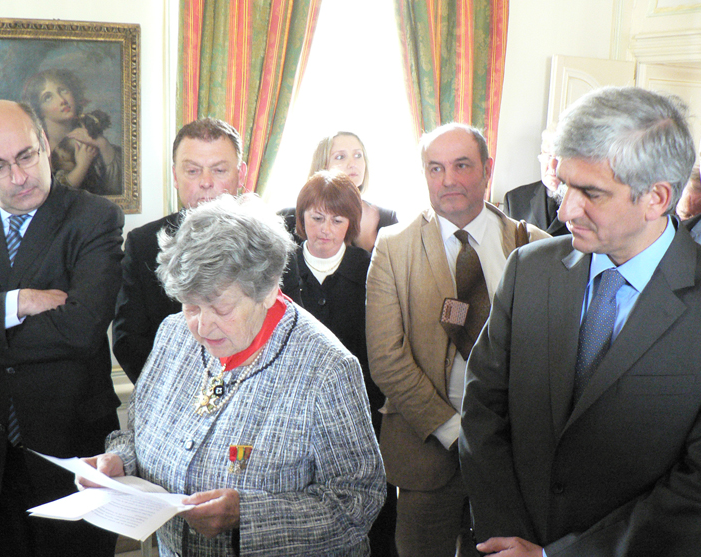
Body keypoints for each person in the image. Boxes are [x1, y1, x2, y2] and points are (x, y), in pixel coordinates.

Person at [459, 86, 701, 557]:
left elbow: (694, 491)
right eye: (564, 184)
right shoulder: (530, 268)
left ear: (656, 198)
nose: (565, 209)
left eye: (590, 192)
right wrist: (511, 543)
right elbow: (483, 408)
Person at [81, 194, 385, 556]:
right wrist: (120, 461)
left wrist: (247, 515)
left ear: (269, 290)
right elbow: (139, 430)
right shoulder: (172, 333)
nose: (202, 326)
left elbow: (358, 502)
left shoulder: (326, 369)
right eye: (191, 304)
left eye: (221, 307)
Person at [365, 123, 549, 557]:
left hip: (511, 458)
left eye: (461, 165)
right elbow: (387, 359)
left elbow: (547, 354)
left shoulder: (534, 245)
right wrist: (457, 432)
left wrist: (497, 437)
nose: (447, 179)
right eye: (435, 168)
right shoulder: (393, 248)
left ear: (487, 170)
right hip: (426, 454)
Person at [0, 100, 124, 557]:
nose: (18, 177)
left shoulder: (95, 218)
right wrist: (18, 303)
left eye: (27, 156)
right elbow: (59, 330)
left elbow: (82, 327)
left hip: (73, 450)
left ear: (46, 145)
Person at [281, 170, 395, 555]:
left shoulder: (373, 268)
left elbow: (383, 345)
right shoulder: (278, 269)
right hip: (289, 416)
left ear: (350, 224)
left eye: (337, 219)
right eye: (315, 218)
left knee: (365, 513)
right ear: (300, 220)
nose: (325, 229)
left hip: (360, 417)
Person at [112, 117, 247, 383]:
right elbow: (129, 340)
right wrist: (174, 392)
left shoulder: (269, 242)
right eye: (193, 171)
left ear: (240, 175)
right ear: (175, 176)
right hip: (170, 395)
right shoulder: (143, 244)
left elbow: (283, 332)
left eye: (219, 170)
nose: (206, 182)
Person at [280, 131, 398, 251]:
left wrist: (367, 242)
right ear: (323, 166)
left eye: (358, 155)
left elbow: (395, 268)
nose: (353, 164)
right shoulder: (288, 219)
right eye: (340, 157)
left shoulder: (387, 219)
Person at [22, 68, 122, 195]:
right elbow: (51, 198)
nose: (62, 100)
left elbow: (116, 189)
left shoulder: (91, 136)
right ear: (39, 110)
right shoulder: (36, 150)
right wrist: (82, 166)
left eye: (63, 90)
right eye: (48, 97)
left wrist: (103, 144)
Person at [503, 128, 569, 236]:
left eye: (559, 157)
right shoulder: (514, 200)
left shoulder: (585, 201)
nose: (552, 165)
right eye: (547, 156)